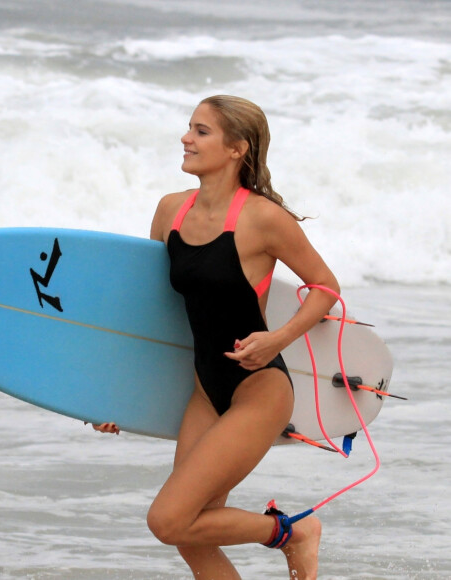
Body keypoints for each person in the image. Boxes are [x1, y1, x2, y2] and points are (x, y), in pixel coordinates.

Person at [92, 95, 340, 579]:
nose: (186, 138)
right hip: (206, 389)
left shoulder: (263, 218)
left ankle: (292, 532)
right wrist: (114, 397)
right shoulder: (170, 212)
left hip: (258, 390)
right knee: (191, 533)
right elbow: (152, 317)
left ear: (236, 149)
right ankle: (291, 534)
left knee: (169, 519)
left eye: (201, 131)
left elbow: (325, 287)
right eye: (189, 128)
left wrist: (278, 338)